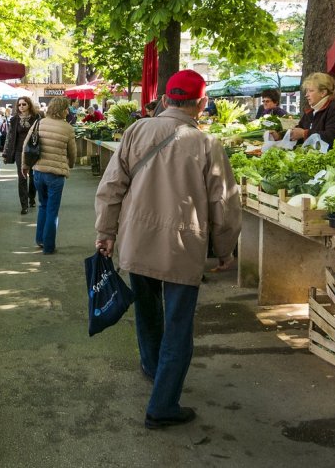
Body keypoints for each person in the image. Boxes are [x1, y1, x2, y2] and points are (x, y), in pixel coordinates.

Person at [94, 70, 242, 430]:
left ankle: (152, 366)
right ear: (202, 103)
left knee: (147, 313)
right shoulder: (206, 143)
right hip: (182, 246)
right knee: (178, 326)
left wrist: (106, 232)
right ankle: (162, 405)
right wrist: (225, 249)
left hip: (137, 239)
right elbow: (223, 203)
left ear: (164, 100)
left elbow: (112, 185)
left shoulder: (136, 130)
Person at [24, 97, 76, 255]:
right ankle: (48, 246)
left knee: (43, 206)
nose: (68, 111)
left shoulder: (39, 123)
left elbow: (26, 145)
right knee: (52, 210)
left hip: (38, 172)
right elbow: (72, 152)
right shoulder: (67, 128)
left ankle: (40, 239)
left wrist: (24, 166)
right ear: (63, 110)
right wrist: (70, 164)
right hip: (56, 175)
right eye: (66, 109)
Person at [272, 72, 335, 145]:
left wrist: (304, 134)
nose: (306, 95)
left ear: (323, 93)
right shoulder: (311, 111)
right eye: (306, 91)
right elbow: (299, 130)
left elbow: (333, 137)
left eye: (310, 91)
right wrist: (279, 136)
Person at [3, 96, 40, 215]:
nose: (21, 107)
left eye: (24, 104)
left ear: (29, 105)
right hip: (19, 151)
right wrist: (6, 152)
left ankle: (32, 197)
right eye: (19, 105)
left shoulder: (36, 118)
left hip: (33, 151)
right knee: (22, 177)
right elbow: (9, 136)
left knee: (33, 177)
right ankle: (24, 205)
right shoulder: (14, 119)